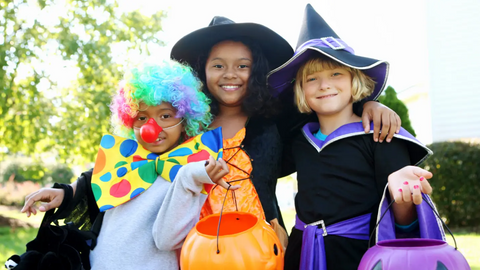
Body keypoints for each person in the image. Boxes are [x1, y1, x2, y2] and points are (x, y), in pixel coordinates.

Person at [170, 16, 402, 249]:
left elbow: (326, 104)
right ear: (202, 71)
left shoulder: (275, 120)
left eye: (242, 66)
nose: (230, 74)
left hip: (262, 246)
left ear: (257, 70)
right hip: (197, 246)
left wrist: (369, 104)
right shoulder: (185, 126)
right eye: (218, 65)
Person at [267, 4, 445, 270]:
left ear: (355, 80)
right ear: (301, 90)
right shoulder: (299, 141)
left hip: (358, 256)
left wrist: (403, 196)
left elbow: (401, 219)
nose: (324, 84)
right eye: (312, 78)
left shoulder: (383, 136)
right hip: (302, 252)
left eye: (336, 73)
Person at [21, 59, 237, 270]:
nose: (151, 127)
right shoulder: (125, 162)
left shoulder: (190, 172)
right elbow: (93, 183)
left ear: (185, 120)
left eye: (165, 115)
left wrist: (187, 178)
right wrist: (65, 193)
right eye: (141, 118)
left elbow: (167, 240)